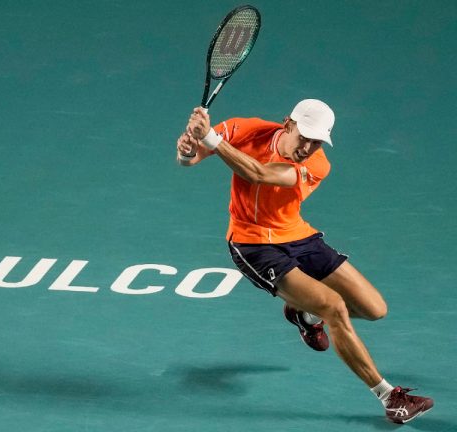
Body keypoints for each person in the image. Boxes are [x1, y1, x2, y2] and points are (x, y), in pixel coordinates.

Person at [176, 99, 433, 424]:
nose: (309, 147)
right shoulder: (247, 129)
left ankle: (304, 312)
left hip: (297, 236)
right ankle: (389, 397)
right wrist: (188, 149)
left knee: (375, 309)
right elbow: (191, 158)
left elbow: (259, 173)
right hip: (253, 244)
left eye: (317, 141)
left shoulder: (317, 165)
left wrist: (211, 137)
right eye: (305, 137)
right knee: (335, 307)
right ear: (288, 123)